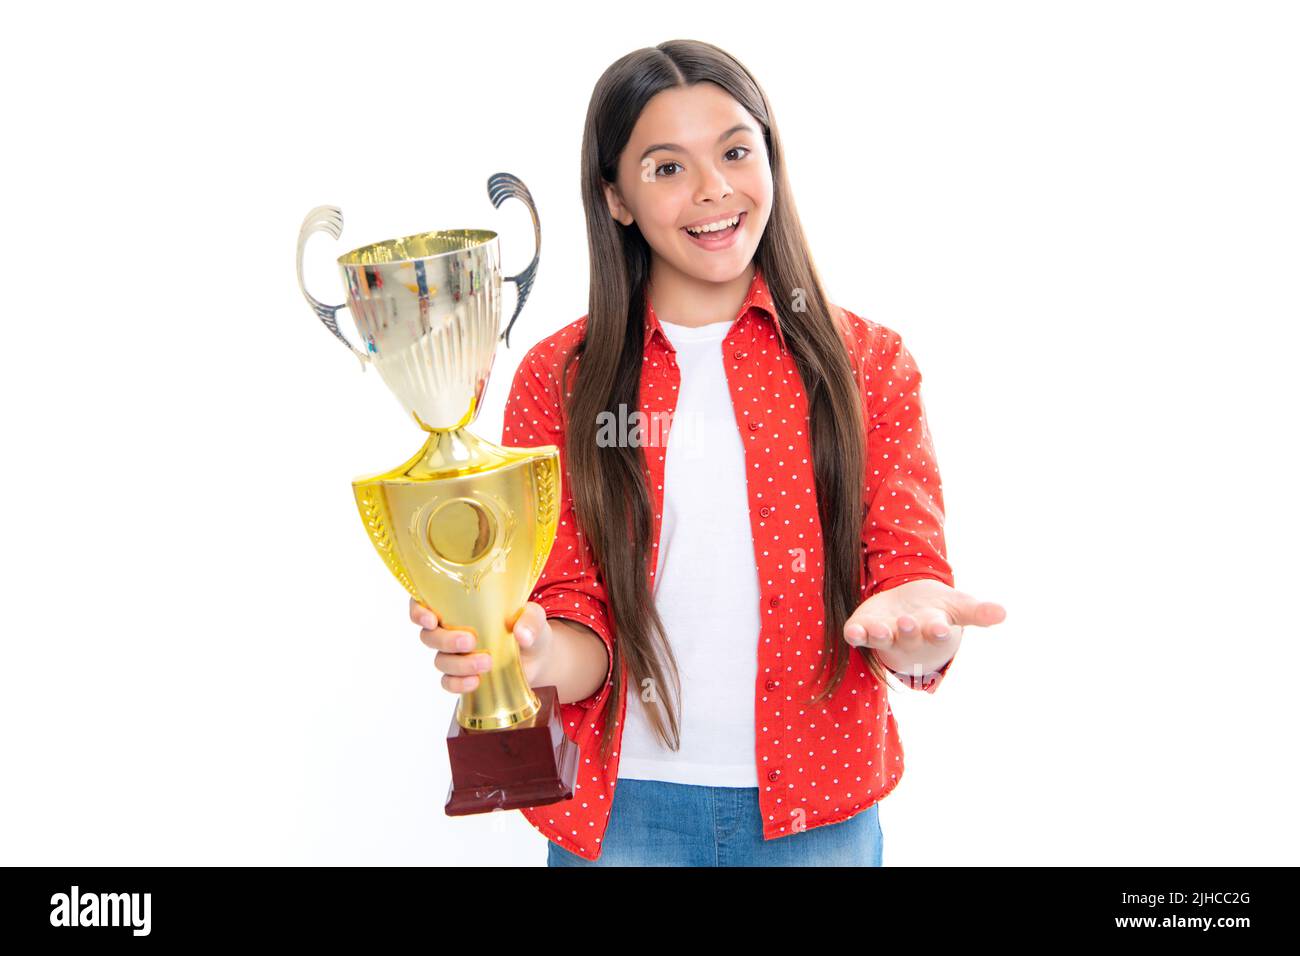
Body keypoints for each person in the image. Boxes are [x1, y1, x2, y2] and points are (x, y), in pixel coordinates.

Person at [412, 38, 1007, 867]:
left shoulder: (868, 362)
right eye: (666, 168)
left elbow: (905, 572)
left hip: (819, 817)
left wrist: (919, 630)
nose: (714, 189)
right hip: (622, 813)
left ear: (770, 156)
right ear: (615, 197)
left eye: (734, 151)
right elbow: (575, 610)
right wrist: (535, 651)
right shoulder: (561, 378)